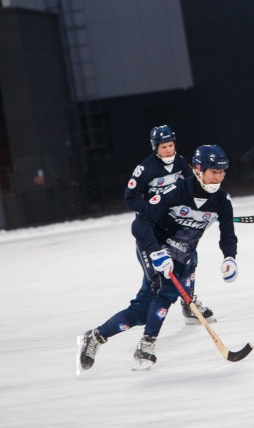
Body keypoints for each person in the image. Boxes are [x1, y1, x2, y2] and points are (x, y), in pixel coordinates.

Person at [78, 145, 239, 371]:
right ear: (198, 170)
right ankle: (147, 345)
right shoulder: (176, 192)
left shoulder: (222, 200)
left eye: (222, 172)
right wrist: (156, 251)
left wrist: (229, 258)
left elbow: (228, 234)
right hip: (154, 245)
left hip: (182, 253)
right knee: (168, 289)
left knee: (142, 312)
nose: (219, 177)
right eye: (214, 171)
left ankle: (95, 337)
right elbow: (140, 223)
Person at [125, 125, 215, 325]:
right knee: (154, 278)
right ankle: (140, 315)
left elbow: (194, 186)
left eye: (171, 145)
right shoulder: (145, 169)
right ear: (155, 147)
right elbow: (130, 197)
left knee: (190, 259)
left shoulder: (181, 162)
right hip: (153, 228)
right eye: (164, 147)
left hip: (173, 224)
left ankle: (189, 304)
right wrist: (152, 210)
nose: (168, 150)